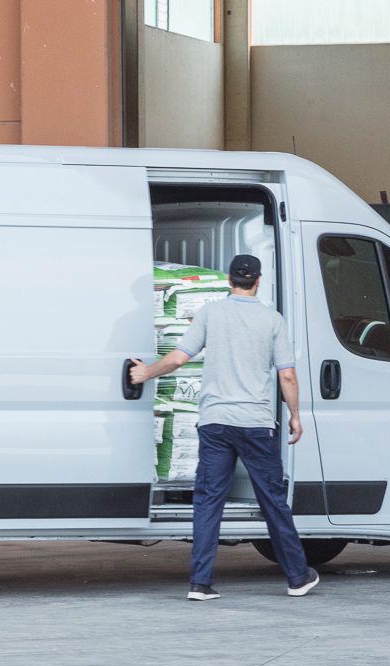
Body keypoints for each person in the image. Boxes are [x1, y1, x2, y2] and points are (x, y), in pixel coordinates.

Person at [131, 254, 319, 600]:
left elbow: (178, 358)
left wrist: (145, 372)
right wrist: (294, 415)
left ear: (230, 280)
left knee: (207, 502)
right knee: (273, 501)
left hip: (216, 423)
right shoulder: (272, 319)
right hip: (255, 425)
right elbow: (287, 375)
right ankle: (297, 577)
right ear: (257, 281)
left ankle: (200, 583)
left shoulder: (210, 313)